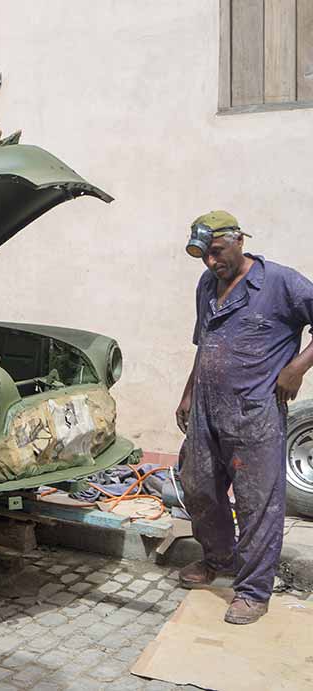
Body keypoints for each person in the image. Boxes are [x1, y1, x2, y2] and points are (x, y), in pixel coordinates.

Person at [175, 210, 313, 624]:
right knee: (199, 487)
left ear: (238, 240)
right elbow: (206, 344)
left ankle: (253, 592)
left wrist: (296, 368)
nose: (211, 263)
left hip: (254, 412)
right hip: (205, 408)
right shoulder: (207, 284)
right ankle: (219, 558)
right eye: (203, 257)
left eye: (216, 252)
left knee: (257, 504)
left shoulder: (280, 283)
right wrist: (186, 394)